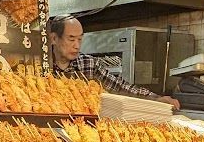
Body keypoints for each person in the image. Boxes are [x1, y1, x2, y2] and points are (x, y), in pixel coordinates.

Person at [47, 14, 179, 110]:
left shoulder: (89, 64)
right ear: (53, 39)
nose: (77, 45)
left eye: (80, 39)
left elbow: (120, 87)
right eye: (71, 39)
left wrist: (156, 99)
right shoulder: (41, 66)